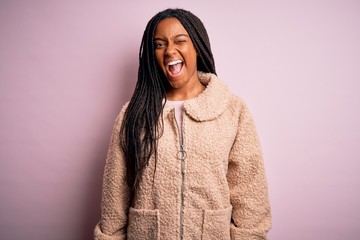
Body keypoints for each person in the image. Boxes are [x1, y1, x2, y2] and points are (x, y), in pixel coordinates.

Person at [94, 8, 271, 240]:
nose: (169, 51)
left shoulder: (232, 110)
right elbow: (115, 195)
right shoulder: (133, 114)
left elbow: (250, 194)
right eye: (159, 45)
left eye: (180, 41)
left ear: (197, 46)